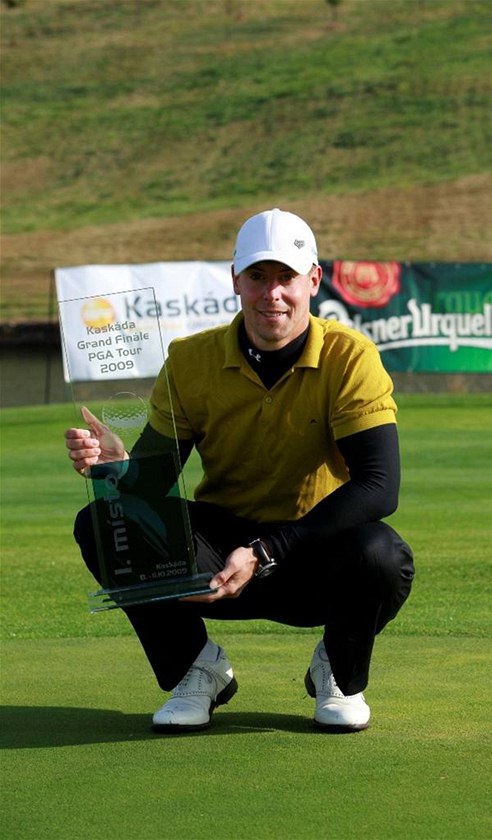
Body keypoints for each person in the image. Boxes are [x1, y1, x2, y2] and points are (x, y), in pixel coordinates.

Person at [65, 208, 414, 733]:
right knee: (103, 522)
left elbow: (379, 487)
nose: (272, 293)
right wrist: (117, 468)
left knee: (382, 555)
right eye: (257, 276)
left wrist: (267, 551)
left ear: (313, 281)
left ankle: (337, 671)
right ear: (236, 280)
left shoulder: (350, 357)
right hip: (217, 561)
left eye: (286, 277)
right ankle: (197, 669)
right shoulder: (190, 360)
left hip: (313, 551)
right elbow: (151, 486)